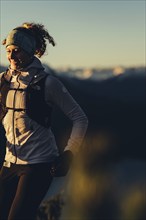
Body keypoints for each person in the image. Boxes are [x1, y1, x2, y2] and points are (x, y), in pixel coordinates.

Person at [0, 22, 88, 220]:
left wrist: (70, 153)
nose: (11, 56)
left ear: (31, 51)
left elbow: (80, 118)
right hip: (10, 162)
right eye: (8, 50)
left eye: (17, 50)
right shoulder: (3, 81)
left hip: (38, 165)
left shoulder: (48, 83)